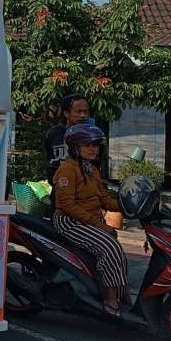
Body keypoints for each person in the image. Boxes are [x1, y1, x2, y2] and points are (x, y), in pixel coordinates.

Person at [52, 123, 129, 315]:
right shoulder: (67, 170)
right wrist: (98, 224)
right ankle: (111, 299)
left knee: (118, 250)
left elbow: (104, 199)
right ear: (74, 147)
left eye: (95, 145)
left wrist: (128, 207)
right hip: (68, 222)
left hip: (88, 220)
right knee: (110, 247)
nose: (94, 149)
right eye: (87, 145)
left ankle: (122, 293)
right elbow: (67, 205)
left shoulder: (92, 170)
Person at [43, 93, 90, 184]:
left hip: (85, 189)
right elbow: (49, 158)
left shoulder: (92, 135)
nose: (83, 115)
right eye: (79, 111)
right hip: (59, 188)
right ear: (66, 113)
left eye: (86, 111)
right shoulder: (54, 133)